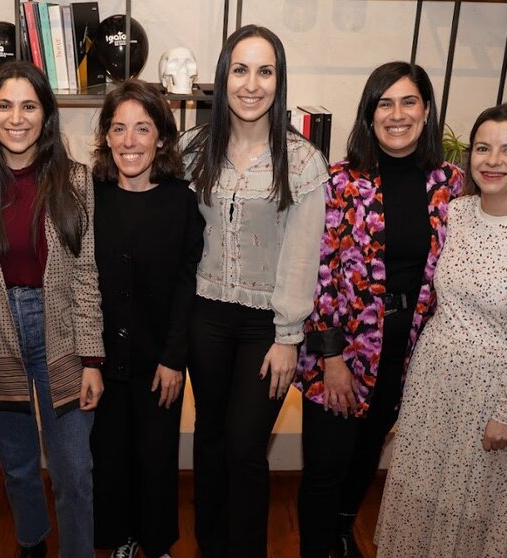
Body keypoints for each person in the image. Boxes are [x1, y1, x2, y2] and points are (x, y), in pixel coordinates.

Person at [375, 103, 507, 557]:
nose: (492, 160)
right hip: (433, 377)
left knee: (469, 506)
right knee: (416, 493)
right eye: (483, 148)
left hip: (491, 393)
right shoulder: (455, 214)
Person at [293, 61, 464, 558]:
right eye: (384, 103)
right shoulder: (339, 182)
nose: (397, 114)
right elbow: (317, 274)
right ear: (369, 116)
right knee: (326, 466)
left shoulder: (450, 185)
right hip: (341, 352)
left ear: (426, 110)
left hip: (409, 350)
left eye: (408, 101)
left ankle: (342, 534)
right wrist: (332, 358)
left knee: (367, 454)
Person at [0, 60, 104, 558]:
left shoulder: (75, 180)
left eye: (29, 105)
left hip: (60, 335)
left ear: (46, 114)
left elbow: (85, 273)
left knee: (74, 470)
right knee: (16, 466)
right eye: (4, 105)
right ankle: (32, 545)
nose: (17, 118)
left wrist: (92, 359)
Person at [181, 25, 328, 557]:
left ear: (279, 80)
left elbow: (302, 253)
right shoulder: (191, 152)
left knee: (245, 447)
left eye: (265, 71)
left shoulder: (303, 161)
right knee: (211, 435)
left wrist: (289, 336)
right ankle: (210, 545)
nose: (251, 84)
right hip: (205, 316)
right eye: (240, 70)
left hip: (267, 325)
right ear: (223, 79)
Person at [90, 79, 204, 558]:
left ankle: (154, 541)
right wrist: (87, 358)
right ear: (107, 136)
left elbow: (187, 285)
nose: (129, 141)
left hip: (159, 359)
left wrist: (174, 358)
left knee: (155, 458)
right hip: (99, 361)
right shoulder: (89, 196)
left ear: (161, 137)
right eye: (119, 129)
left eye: (142, 128)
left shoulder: (181, 201)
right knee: (110, 458)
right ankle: (120, 539)